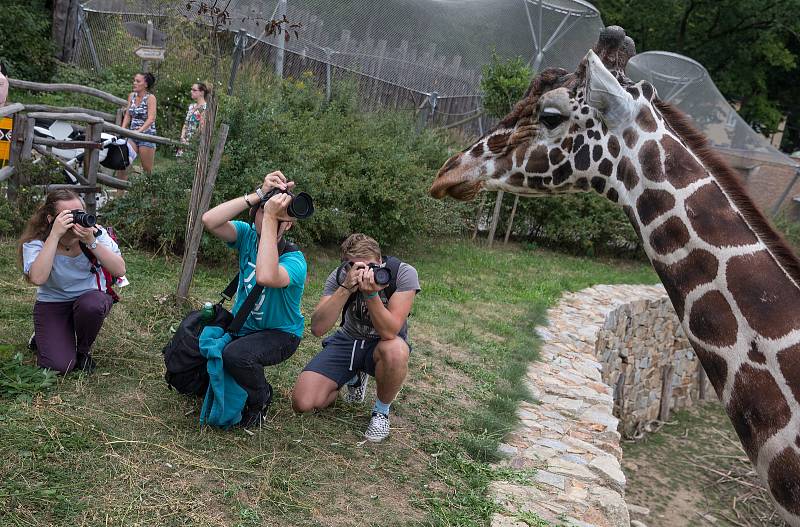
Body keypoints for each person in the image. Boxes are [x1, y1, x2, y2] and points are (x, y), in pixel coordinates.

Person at [201, 170, 307, 428]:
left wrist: (271, 216)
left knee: (236, 355)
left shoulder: (294, 260)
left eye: (271, 214)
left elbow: (266, 275)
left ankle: (261, 397)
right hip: (244, 326)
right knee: (202, 343)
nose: (265, 216)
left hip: (281, 334)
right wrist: (258, 195)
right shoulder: (247, 236)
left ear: (289, 223)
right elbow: (209, 220)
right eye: (261, 211)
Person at [292, 234, 420, 443]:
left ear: (380, 261)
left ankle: (381, 412)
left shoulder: (403, 273)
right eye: (357, 266)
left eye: (371, 266)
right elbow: (317, 328)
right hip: (349, 339)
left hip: (383, 344)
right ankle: (352, 376)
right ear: (346, 265)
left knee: (396, 350)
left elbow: (390, 332)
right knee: (303, 403)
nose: (365, 273)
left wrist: (371, 295)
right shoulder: (341, 275)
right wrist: (345, 288)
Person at [18, 190, 126, 374]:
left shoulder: (96, 234)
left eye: (80, 213)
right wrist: (54, 236)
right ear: (51, 219)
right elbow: (38, 278)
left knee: (93, 305)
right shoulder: (38, 242)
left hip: (89, 299)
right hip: (52, 303)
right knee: (60, 366)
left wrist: (91, 241)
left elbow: (119, 270)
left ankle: (83, 351)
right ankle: (44, 336)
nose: (77, 219)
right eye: (69, 215)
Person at [119, 72, 157, 177]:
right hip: (132, 136)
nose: (134, 83)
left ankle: (149, 193)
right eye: (134, 80)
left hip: (146, 136)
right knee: (123, 163)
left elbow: (151, 119)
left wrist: (139, 131)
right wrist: (122, 129)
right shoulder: (132, 96)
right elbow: (128, 114)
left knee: (147, 170)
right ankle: (119, 192)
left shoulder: (150, 98)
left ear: (145, 84)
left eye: (138, 81)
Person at [177, 82, 208, 155]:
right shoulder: (191, 106)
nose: (191, 91)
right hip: (183, 141)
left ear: (201, 93)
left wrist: (191, 141)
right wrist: (182, 137)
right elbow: (185, 123)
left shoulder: (205, 108)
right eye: (191, 89)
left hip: (194, 144)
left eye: (194, 90)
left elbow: (201, 128)